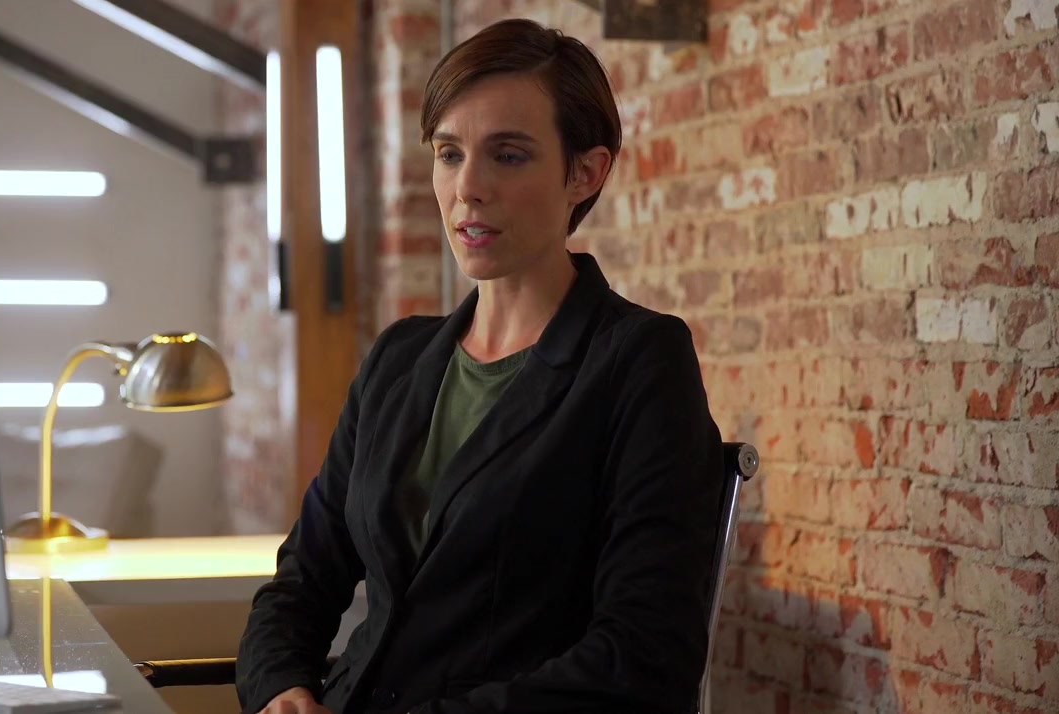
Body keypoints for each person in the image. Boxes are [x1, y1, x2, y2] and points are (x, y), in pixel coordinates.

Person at [237, 18, 723, 714]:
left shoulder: (637, 361)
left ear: (585, 172)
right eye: (449, 153)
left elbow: (646, 656)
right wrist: (281, 688)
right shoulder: (399, 359)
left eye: (509, 155)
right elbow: (301, 581)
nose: (468, 187)